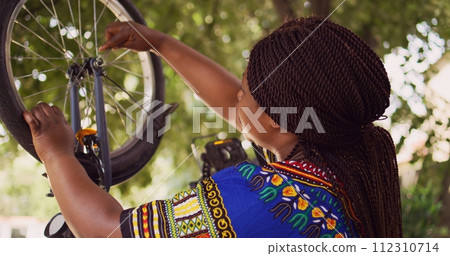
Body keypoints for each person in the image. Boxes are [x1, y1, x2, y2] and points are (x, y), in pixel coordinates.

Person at [23, 17, 402, 238]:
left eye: (245, 92)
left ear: (273, 119)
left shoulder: (259, 198)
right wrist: (159, 43)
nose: (236, 99)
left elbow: (107, 232)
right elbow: (235, 102)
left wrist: (55, 152)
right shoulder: (345, 182)